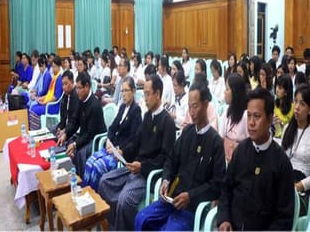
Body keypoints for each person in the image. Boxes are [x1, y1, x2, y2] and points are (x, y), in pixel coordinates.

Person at [135, 81, 226, 231]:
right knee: (142, 219)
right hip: (172, 198)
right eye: (189, 107)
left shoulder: (215, 142)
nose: (191, 111)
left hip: (193, 207)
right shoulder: (187, 133)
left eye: (195, 106)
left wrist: (190, 196)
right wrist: (165, 180)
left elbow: (216, 185)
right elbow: (170, 160)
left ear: (206, 104)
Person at [98, 74, 176, 230]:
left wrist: (143, 166)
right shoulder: (147, 116)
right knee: (104, 182)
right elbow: (135, 142)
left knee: (124, 200)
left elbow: (166, 159)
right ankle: (111, 226)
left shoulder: (167, 122)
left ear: (158, 94)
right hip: (135, 168)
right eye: (144, 93)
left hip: (148, 174)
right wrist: (121, 151)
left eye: (147, 93)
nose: (144, 98)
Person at [217, 88, 295, 231]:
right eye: (249, 116)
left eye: (257, 116)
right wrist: (224, 220)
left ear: (270, 118)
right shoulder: (240, 151)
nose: (251, 123)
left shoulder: (281, 163)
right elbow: (225, 190)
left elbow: (284, 218)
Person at [82, 77, 142, 191]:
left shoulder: (136, 111)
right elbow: (112, 128)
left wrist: (120, 150)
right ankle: (86, 194)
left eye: (126, 91)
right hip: (112, 148)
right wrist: (109, 140)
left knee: (97, 167)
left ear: (133, 91)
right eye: (122, 91)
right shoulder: (122, 107)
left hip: (121, 154)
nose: (123, 94)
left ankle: (96, 198)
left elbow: (134, 139)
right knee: (90, 162)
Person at [65, 72, 106, 178]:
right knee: (67, 142)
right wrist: (66, 133)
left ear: (87, 86)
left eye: (79, 88)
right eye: (77, 88)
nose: (77, 91)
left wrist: (75, 145)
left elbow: (90, 134)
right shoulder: (81, 100)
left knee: (79, 152)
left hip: (95, 140)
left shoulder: (94, 105)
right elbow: (75, 121)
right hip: (84, 136)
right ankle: (70, 176)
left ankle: (82, 181)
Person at [281, 83, 310, 215]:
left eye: (302, 104)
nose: (296, 107)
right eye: (295, 102)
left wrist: (299, 186)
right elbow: (280, 159)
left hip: (302, 186)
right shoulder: (288, 128)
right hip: (285, 178)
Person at [220, 74, 249, 163]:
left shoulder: (246, 115)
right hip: (225, 156)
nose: (224, 92)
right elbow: (222, 136)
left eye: (227, 89)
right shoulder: (227, 111)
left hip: (240, 159)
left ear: (235, 92)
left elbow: (250, 144)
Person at [28, 56, 63, 130]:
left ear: (59, 67)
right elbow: (49, 94)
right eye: (52, 67)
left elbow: (56, 97)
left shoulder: (59, 79)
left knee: (34, 109)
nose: (53, 69)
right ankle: (35, 128)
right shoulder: (54, 77)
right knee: (33, 106)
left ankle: (36, 130)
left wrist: (45, 102)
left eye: (54, 67)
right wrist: (41, 98)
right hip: (48, 103)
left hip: (53, 106)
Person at [55, 70, 80, 144]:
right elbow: (63, 117)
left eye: (66, 84)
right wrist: (60, 127)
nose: (64, 87)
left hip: (72, 131)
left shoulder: (77, 97)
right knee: (51, 131)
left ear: (72, 82)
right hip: (65, 128)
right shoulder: (65, 96)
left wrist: (65, 131)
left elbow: (74, 122)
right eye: (62, 84)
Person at [274, 74, 294, 138]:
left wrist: (282, 124)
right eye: (277, 86)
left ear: (286, 92)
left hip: (286, 139)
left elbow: (293, 130)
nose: (277, 89)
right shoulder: (274, 104)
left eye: (280, 88)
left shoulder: (293, 108)